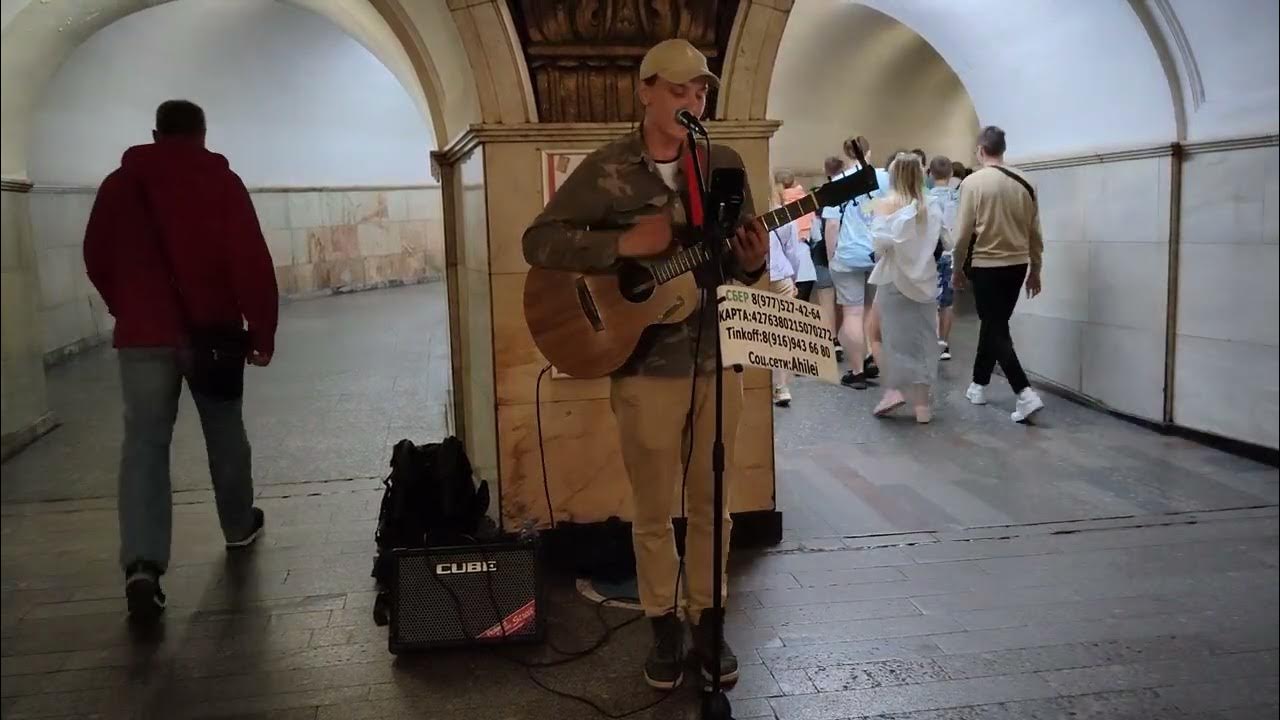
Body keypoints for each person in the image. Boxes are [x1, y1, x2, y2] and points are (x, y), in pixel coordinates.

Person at [521, 38, 768, 691]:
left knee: (714, 498)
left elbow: (740, 260)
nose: (693, 101)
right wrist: (624, 242)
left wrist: (753, 258)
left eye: (701, 91)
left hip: (717, 356)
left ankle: (708, 618)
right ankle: (663, 625)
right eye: (681, 89)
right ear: (647, 91)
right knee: (654, 506)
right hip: (643, 364)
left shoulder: (724, 164)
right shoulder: (607, 170)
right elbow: (539, 241)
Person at [84, 100, 277, 621]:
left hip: (143, 335)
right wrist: (261, 330)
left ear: (154, 132)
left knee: (144, 445)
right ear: (202, 133)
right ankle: (238, 525)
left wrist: (125, 308)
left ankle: (143, 566)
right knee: (224, 428)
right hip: (211, 333)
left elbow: (95, 256)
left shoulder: (119, 185)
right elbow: (250, 260)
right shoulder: (220, 182)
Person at [952, 125, 1046, 423]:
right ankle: (978, 384)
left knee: (995, 326)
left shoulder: (973, 182)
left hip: (986, 265)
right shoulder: (1026, 182)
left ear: (981, 150)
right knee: (995, 323)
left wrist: (956, 268)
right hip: (1017, 265)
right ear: (1002, 149)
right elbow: (1035, 232)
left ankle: (1024, 392)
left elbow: (963, 234)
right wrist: (1036, 269)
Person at [867, 155, 944, 423]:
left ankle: (892, 391)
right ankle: (923, 408)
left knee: (883, 337)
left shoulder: (885, 205)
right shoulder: (932, 205)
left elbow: (878, 244)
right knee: (921, 342)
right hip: (925, 281)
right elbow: (943, 240)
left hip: (893, 280)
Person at [769, 214, 807, 407]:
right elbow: (792, 252)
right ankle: (781, 387)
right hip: (780, 276)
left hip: (750, 279)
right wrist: (793, 280)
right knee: (781, 333)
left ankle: (754, 385)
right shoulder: (782, 214)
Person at [926, 156, 960, 360]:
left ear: (930, 174)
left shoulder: (926, 199)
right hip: (952, 254)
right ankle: (944, 343)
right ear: (951, 175)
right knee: (948, 302)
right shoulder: (958, 198)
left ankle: (931, 341)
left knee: (930, 300)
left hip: (930, 254)